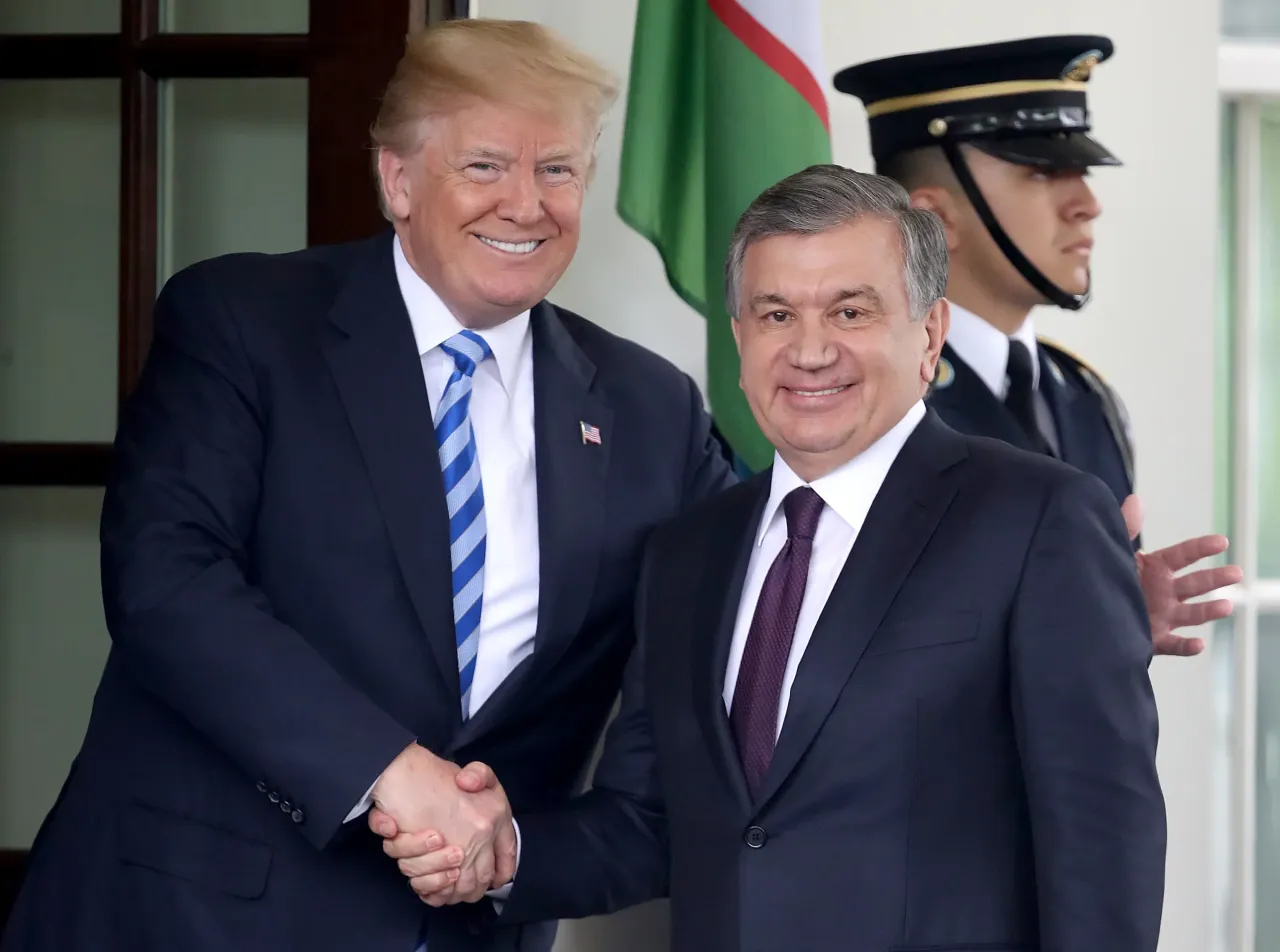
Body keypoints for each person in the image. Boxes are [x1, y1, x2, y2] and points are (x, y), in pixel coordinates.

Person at [0, 19, 734, 952]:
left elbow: (736, 634)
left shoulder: (652, 409)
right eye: (484, 166)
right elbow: (164, 580)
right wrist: (386, 769)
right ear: (398, 181)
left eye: (557, 169)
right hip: (190, 916)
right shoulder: (245, 323)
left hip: (463, 932)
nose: (526, 204)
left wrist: (516, 854)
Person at [382, 165, 1168, 951]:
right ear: (740, 338)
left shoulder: (1039, 520)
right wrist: (508, 853)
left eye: (850, 311)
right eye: (776, 314)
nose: (810, 351)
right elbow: (652, 821)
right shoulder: (689, 552)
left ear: (930, 334)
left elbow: (1101, 845)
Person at [832, 35, 1241, 656]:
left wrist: (1120, 626)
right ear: (934, 222)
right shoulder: (860, 404)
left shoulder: (1083, 395)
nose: (1087, 205)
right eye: (1045, 173)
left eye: (1081, 173)